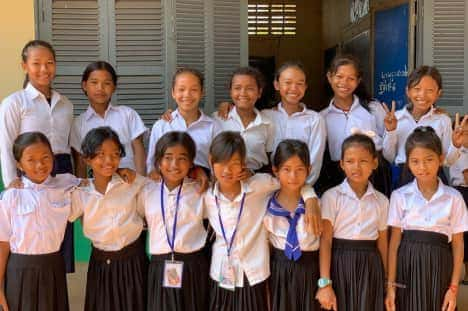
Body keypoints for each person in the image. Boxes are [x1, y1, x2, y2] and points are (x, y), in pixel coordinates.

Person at [204, 131, 320, 311]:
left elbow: (291, 180)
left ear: (243, 163)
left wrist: (310, 198)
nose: (227, 170)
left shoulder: (260, 185)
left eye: (234, 163)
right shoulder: (205, 196)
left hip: (253, 274)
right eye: (221, 163)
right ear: (211, 160)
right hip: (221, 274)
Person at [0, 40, 76, 272]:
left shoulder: (66, 104)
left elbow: (71, 146)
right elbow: (5, 143)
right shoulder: (14, 103)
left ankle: (54, 288)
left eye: (49, 63)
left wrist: (77, 179)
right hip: (30, 172)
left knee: (58, 238)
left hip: (62, 170)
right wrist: (11, 180)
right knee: (30, 236)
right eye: (36, 63)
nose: (44, 69)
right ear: (24, 66)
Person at [385, 126, 468, 311]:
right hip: (406, 268)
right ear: (408, 163)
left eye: (429, 160)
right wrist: (390, 287)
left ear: (440, 159)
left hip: (440, 268)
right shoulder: (400, 196)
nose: (422, 167)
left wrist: (453, 288)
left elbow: (458, 244)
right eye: (415, 161)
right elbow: (393, 244)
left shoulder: (454, 198)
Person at [0, 132, 81, 311]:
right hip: (19, 271)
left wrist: (122, 171)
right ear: (19, 164)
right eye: (31, 160)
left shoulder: (66, 184)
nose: (40, 165)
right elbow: (2, 244)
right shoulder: (11, 197)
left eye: (45, 157)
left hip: (53, 268)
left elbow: (95, 185)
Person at [69, 127, 147, 311]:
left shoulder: (131, 183)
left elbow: (159, 184)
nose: (109, 161)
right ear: (87, 159)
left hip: (133, 260)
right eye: (100, 155)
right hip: (101, 264)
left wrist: (197, 173)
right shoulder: (80, 193)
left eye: (115, 154)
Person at [316, 134, 388, 311]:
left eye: (363, 161)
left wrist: (385, 279)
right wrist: (325, 282)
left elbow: (383, 243)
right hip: (339, 263)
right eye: (350, 161)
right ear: (341, 164)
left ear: (374, 163)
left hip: (370, 266)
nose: (356, 167)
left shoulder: (382, 201)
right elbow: (325, 241)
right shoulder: (331, 197)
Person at [139, 131, 209, 310]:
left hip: (193, 267)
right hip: (159, 267)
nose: (174, 165)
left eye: (182, 158)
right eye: (168, 157)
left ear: (192, 162)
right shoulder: (146, 191)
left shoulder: (200, 192)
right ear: (158, 161)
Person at [318, 54, 391, 197]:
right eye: (339, 76)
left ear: (358, 81)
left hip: (374, 174)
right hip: (338, 175)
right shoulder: (322, 117)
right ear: (329, 77)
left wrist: (391, 131)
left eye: (351, 78)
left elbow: (388, 145)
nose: (344, 82)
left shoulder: (373, 108)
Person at [382, 65, 467, 186]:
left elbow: (448, 161)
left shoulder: (443, 120)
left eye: (430, 90)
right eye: (417, 89)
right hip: (404, 178)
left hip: (434, 177)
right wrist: (391, 131)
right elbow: (389, 157)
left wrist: (456, 145)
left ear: (438, 93)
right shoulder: (396, 119)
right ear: (408, 91)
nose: (422, 95)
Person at [264, 139, 321, 311]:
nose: (293, 176)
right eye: (286, 170)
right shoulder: (267, 204)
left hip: (310, 270)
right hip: (278, 271)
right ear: (275, 170)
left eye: (299, 170)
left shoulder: (317, 204)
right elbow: (266, 245)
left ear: (309, 170)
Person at [70, 61, 147, 177]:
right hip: (97, 190)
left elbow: (139, 152)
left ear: (114, 87)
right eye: (94, 82)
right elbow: (80, 163)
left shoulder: (128, 114)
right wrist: (84, 189)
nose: (100, 88)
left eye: (107, 83)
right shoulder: (78, 123)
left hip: (129, 185)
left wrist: (140, 183)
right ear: (85, 85)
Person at [147, 67, 220, 177]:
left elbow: (218, 163)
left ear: (202, 92)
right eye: (181, 89)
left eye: (194, 89)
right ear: (173, 93)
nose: (187, 95)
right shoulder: (162, 125)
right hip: (168, 189)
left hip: (201, 187)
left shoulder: (213, 127)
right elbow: (152, 164)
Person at [213, 67, 274, 173]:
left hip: (257, 181)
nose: (243, 93)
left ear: (259, 92)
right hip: (224, 179)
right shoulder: (217, 119)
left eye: (250, 88)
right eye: (237, 88)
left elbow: (270, 161)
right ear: (230, 91)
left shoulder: (267, 124)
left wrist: (252, 173)